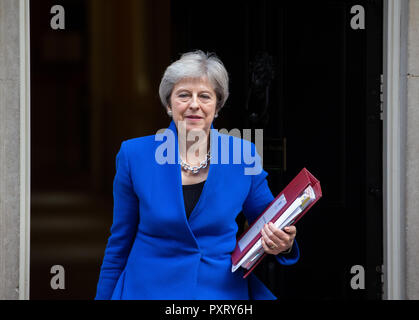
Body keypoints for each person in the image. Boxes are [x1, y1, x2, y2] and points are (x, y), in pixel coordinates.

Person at [95, 50, 299, 300]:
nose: (194, 104)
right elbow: (119, 244)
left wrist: (283, 243)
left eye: (205, 96)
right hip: (147, 291)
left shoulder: (242, 155)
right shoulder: (134, 155)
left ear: (217, 106)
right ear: (169, 105)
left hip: (220, 293)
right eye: (183, 95)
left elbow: (271, 221)